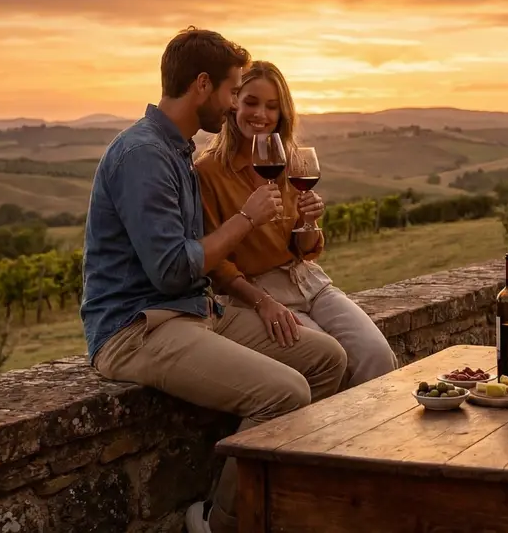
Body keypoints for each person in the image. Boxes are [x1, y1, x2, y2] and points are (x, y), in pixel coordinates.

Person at [80, 29, 348, 533]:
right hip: (136, 328)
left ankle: (276, 505)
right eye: (230, 92)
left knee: (326, 358)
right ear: (202, 84)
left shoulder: (174, 148)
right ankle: (220, 522)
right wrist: (245, 221)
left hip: (192, 313)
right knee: (286, 392)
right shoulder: (144, 156)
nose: (231, 107)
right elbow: (171, 268)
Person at [195, 61, 398, 389]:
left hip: (307, 282)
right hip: (256, 291)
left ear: (282, 113)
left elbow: (304, 251)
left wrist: (308, 221)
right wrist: (262, 303)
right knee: (334, 365)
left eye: (272, 107)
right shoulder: (209, 172)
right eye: (251, 102)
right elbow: (215, 263)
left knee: (378, 357)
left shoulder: (289, 160)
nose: (261, 114)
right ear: (234, 104)